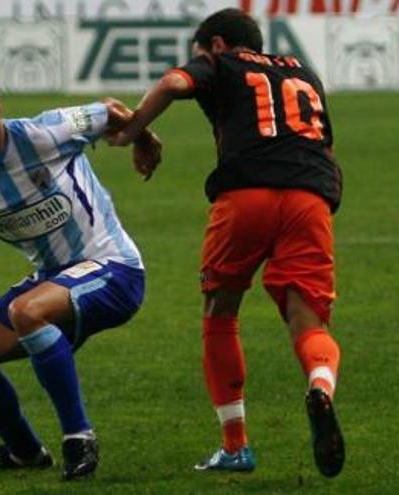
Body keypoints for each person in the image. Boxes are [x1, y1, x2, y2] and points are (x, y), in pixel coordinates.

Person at [107, 8, 345, 478]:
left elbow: (175, 85)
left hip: (246, 194)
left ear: (216, 45)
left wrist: (132, 131)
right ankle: (320, 385)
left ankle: (236, 447)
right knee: (308, 320)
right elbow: (328, 149)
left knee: (221, 313)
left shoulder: (221, 63)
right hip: (310, 197)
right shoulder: (305, 73)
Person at [0, 62, 161, 480]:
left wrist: (143, 138)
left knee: (26, 312)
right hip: (52, 279)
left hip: (114, 269)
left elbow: (110, 109)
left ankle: (79, 438)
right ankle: (24, 451)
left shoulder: (47, 132)